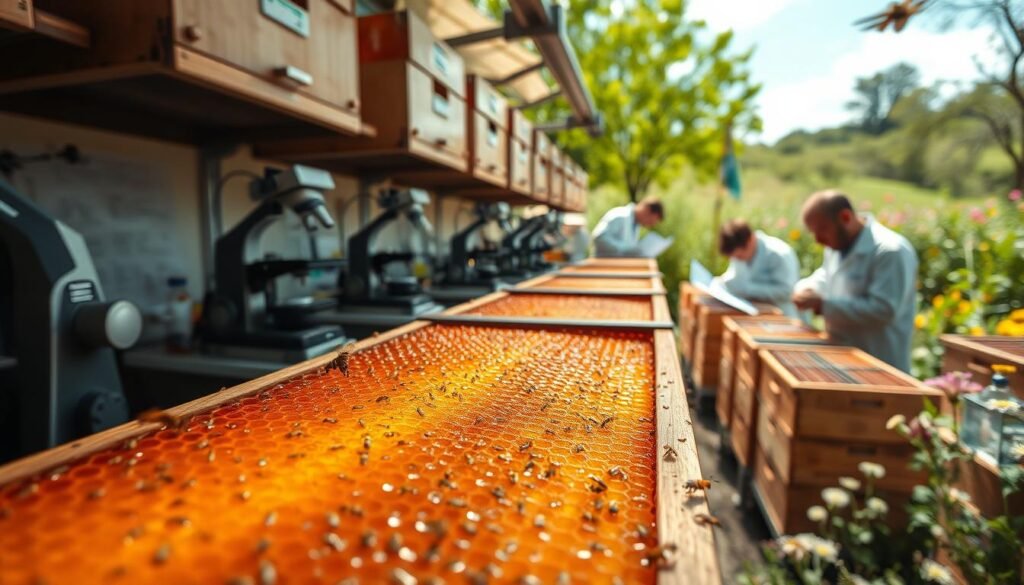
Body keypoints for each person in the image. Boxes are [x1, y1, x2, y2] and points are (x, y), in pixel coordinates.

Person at [792, 190, 918, 372]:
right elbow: (826, 276)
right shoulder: (836, 245)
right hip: (843, 358)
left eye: (822, 230)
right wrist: (806, 288)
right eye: (814, 233)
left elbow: (883, 310)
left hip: (879, 365)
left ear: (845, 217)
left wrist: (822, 305)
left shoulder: (890, 251)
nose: (818, 240)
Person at [712, 219, 800, 317]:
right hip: (754, 315)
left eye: (739, 256)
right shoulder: (739, 252)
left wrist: (748, 289)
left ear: (750, 240)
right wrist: (721, 283)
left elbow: (787, 292)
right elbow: (734, 277)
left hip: (783, 317)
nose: (737, 260)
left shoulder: (779, 254)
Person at [591, 197, 664, 257]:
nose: (649, 225)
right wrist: (625, 249)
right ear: (646, 210)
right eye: (650, 221)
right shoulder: (620, 215)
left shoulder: (635, 224)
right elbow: (599, 238)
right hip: (603, 266)